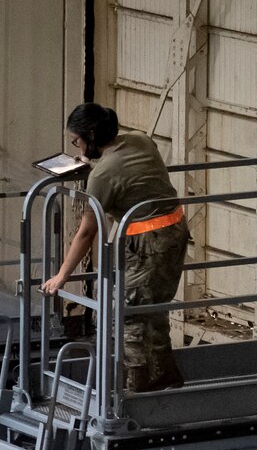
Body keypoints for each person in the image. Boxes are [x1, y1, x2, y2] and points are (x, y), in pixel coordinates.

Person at [40, 103, 188, 392]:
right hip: (175, 230)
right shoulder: (140, 139)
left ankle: (135, 389)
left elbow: (86, 232)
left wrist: (62, 277)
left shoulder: (102, 175)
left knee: (126, 313)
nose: (77, 145)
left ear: (92, 136)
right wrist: (92, 161)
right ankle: (165, 376)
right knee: (153, 307)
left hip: (148, 244)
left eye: (78, 140)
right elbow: (128, 171)